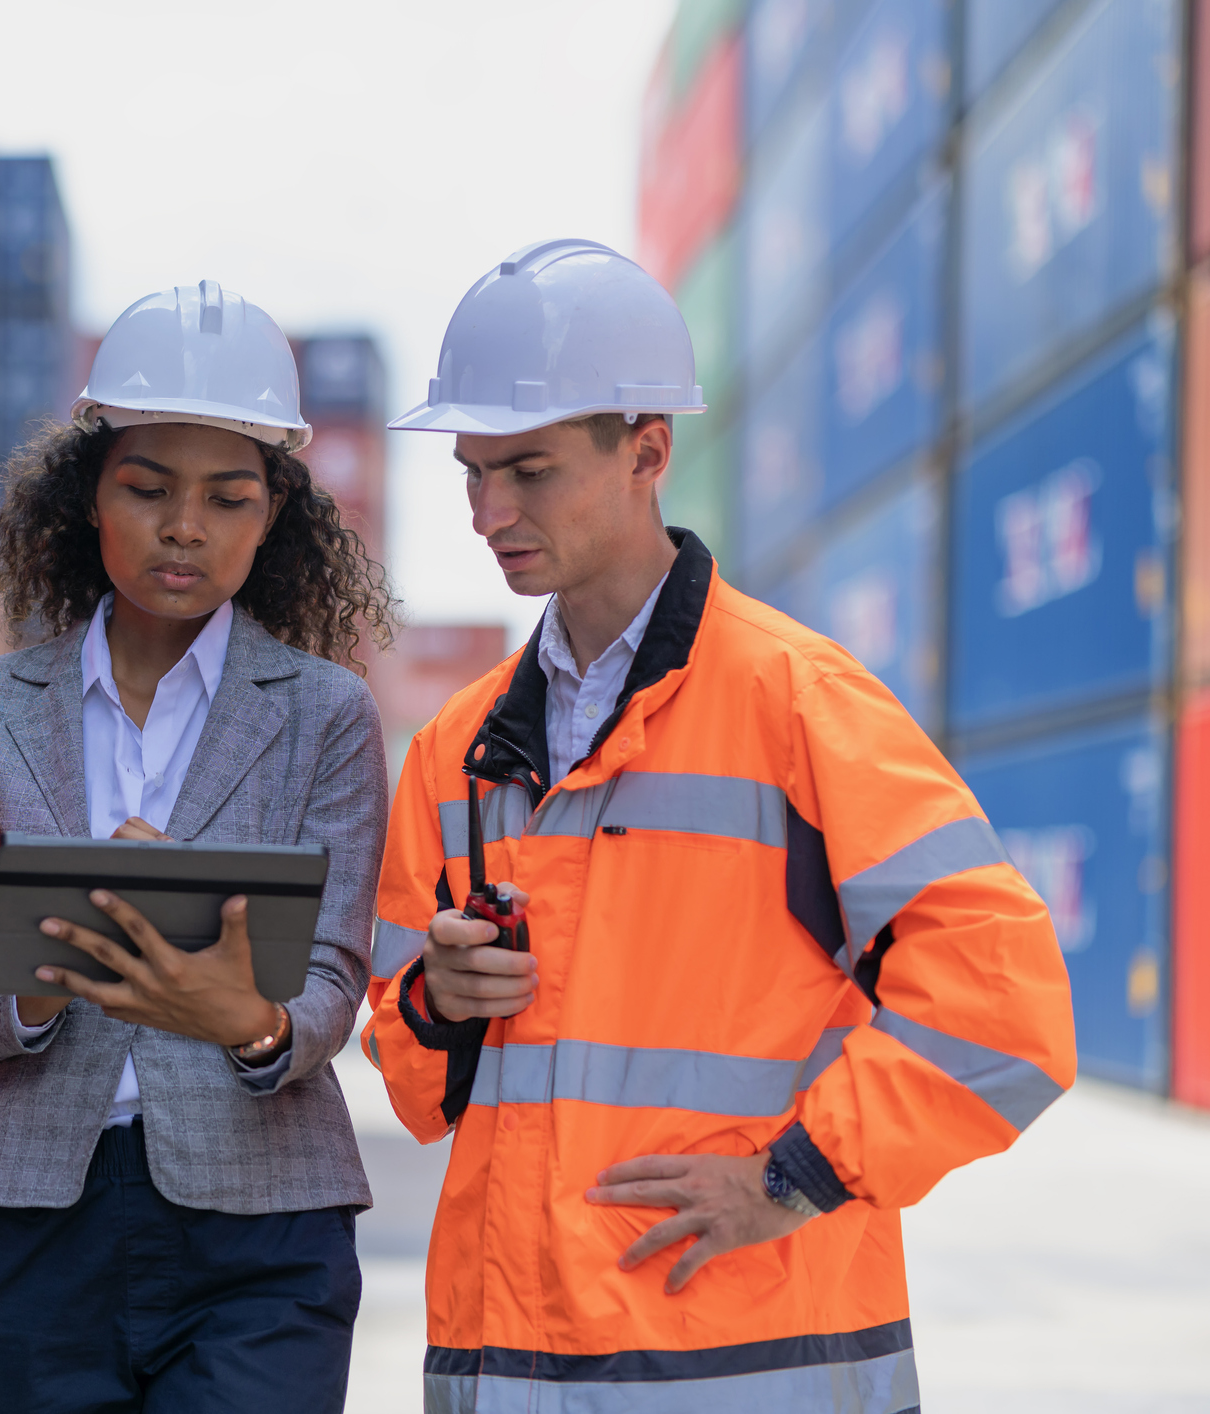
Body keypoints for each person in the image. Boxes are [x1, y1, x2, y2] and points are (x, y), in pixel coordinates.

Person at [361, 240, 1077, 1413]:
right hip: (505, 1374)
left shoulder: (797, 704)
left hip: (747, 1370)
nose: (489, 512)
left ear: (647, 451)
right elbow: (406, 1076)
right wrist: (436, 1002)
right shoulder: (453, 748)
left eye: (527, 470)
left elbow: (1005, 1006)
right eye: (471, 473)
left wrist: (792, 1178)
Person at [0, 282, 395, 1413]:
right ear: (87, 497)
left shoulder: (325, 715)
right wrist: (38, 983)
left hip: (264, 1230)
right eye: (147, 488)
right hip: (29, 1229)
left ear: (273, 519)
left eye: (227, 497)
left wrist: (246, 1021)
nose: (184, 526)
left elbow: (331, 982)